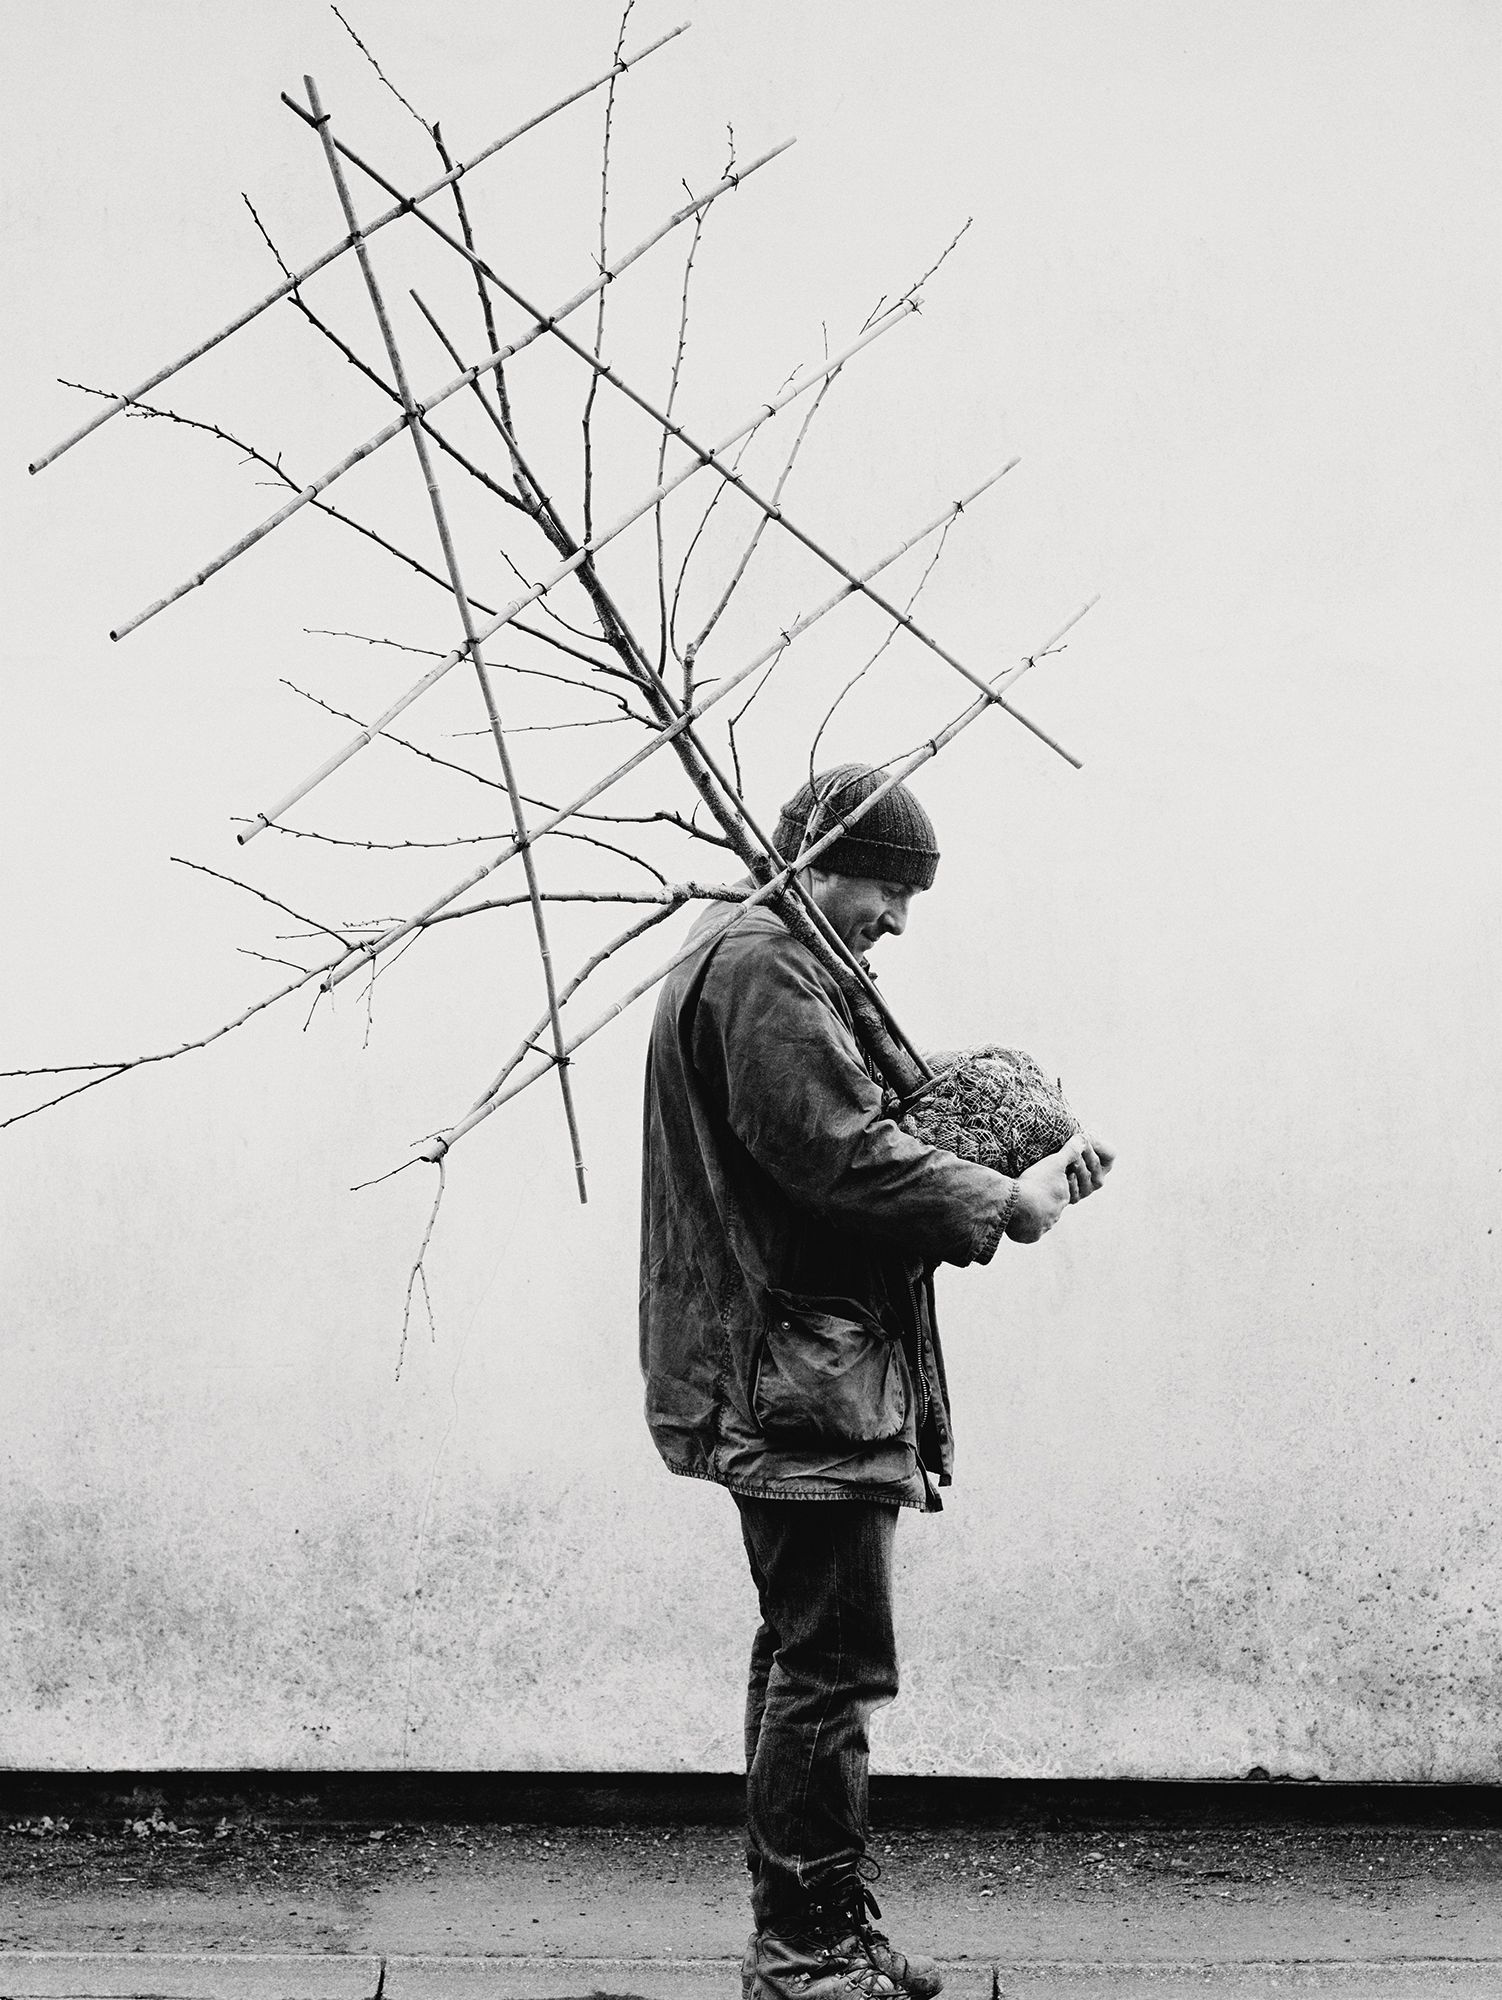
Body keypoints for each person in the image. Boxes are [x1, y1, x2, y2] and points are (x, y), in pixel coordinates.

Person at [639, 762, 1110, 2000]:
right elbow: (834, 1154)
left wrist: (994, 1131)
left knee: (807, 1655)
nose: (896, 921)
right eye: (887, 889)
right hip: (799, 1375)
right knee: (832, 1668)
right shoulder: (762, 964)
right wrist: (999, 1200)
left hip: (797, 1365)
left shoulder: (767, 953)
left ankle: (815, 1925)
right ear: (823, 860)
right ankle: (806, 1951)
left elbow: (842, 1122)